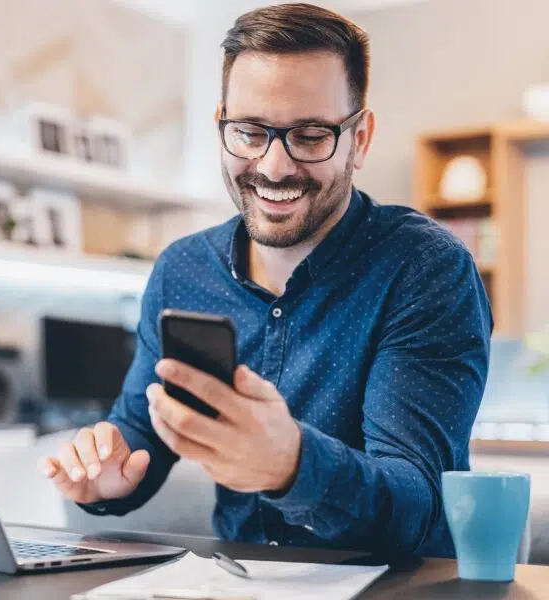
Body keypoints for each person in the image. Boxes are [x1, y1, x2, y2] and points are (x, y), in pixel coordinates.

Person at [38, 2, 492, 558]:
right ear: (222, 125)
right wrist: (107, 475)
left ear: (361, 139)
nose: (274, 167)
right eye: (251, 132)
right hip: (234, 585)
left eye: (309, 135)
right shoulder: (182, 271)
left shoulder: (424, 269)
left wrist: (293, 465)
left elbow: (418, 504)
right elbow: (140, 432)